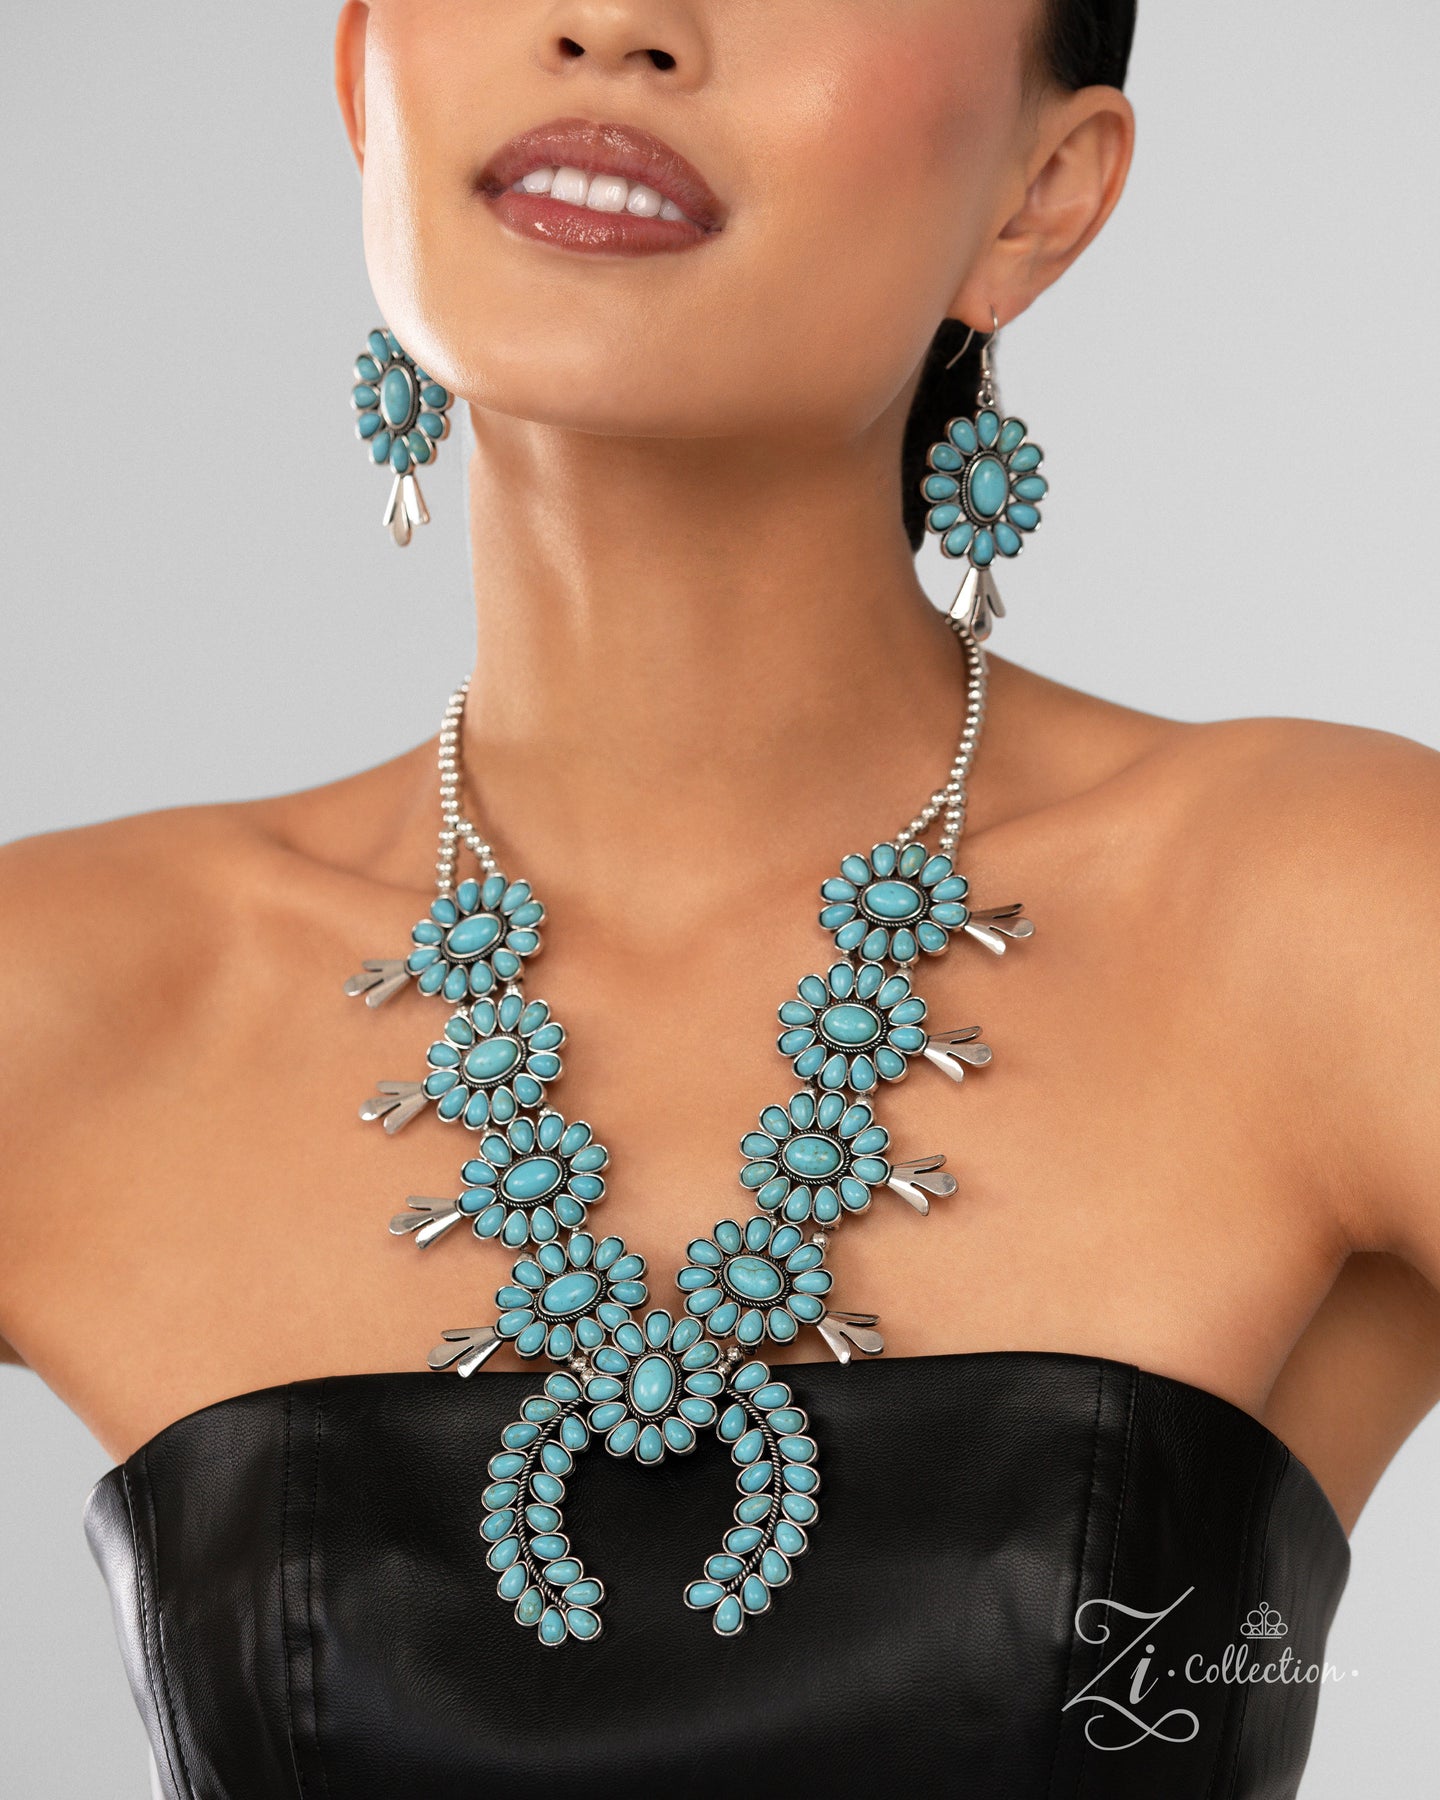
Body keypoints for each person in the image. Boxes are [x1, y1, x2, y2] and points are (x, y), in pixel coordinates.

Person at [2, 2, 1437, 1794]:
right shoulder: (58, 995)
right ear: (366, 73)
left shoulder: (1336, 909)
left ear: (1041, 195)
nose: (616, 22)